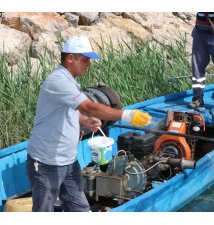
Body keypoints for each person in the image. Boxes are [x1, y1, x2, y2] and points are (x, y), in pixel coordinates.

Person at [26, 35, 152, 212]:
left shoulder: (70, 81)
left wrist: (85, 120)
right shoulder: (58, 81)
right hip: (47, 163)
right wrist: (127, 115)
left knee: (80, 209)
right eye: (85, 60)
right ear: (71, 58)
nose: (89, 64)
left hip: (68, 161)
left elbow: (68, 111)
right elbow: (89, 107)